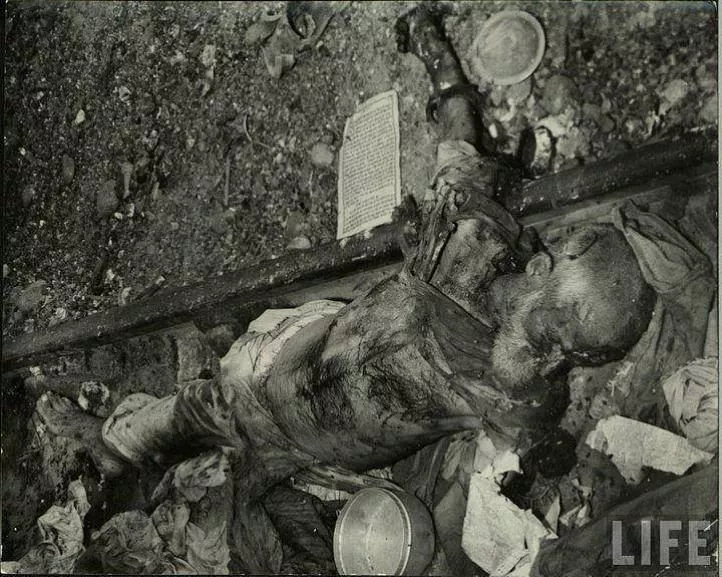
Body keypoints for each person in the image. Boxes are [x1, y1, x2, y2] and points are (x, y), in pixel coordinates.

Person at [36, 3, 659, 569]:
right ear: (539, 270)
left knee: (205, 496)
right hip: (286, 385)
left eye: (571, 354)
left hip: (304, 440)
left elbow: (515, 465)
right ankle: (114, 447)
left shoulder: (515, 364)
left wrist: (533, 459)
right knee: (184, 429)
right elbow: (459, 138)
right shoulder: (473, 251)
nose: (548, 359)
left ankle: (124, 452)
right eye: (554, 331)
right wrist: (434, 49)